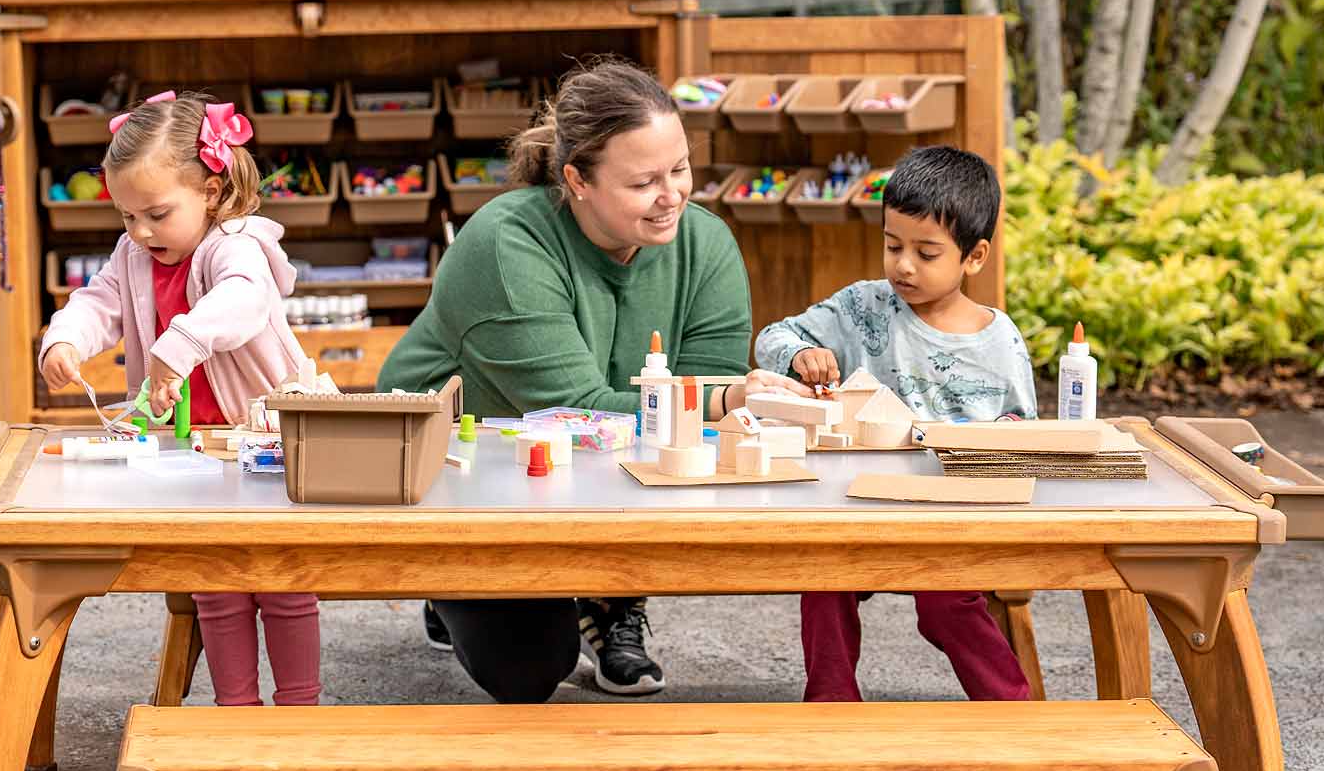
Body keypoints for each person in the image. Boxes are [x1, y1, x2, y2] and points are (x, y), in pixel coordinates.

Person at [379, 58, 813, 702]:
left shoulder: (707, 244)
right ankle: (457, 586)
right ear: (578, 180)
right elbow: (578, 411)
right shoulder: (506, 243)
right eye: (643, 182)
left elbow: (695, 424)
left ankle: (611, 594)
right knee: (527, 671)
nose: (671, 196)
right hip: (463, 469)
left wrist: (734, 399)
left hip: (593, 463)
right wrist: (729, 397)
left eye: (679, 169)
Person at [39, 90, 320, 708]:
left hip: (268, 444)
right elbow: (98, 302)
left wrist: (181, 341)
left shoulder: (235, 245)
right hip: (191, 452)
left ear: (212, 194)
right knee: (214, 583)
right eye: (126, 217)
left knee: (283, 581)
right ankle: (236, 713)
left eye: (157, 214)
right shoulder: (133, 254)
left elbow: (244, 301)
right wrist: (65, 339)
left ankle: (301, 711)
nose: (140, 232)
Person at [754, 145, 1037, 704]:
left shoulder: (998, 341)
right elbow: (772, 338)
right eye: (892, 245)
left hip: (952, 522)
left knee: (944, 602)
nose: (903, 265)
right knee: (826, 580)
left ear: (974, 257)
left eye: (926, 252)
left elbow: (1022, 435)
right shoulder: (863, 307)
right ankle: (831, 705)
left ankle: (1013, 710)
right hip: (858, 506)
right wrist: (799, 358)